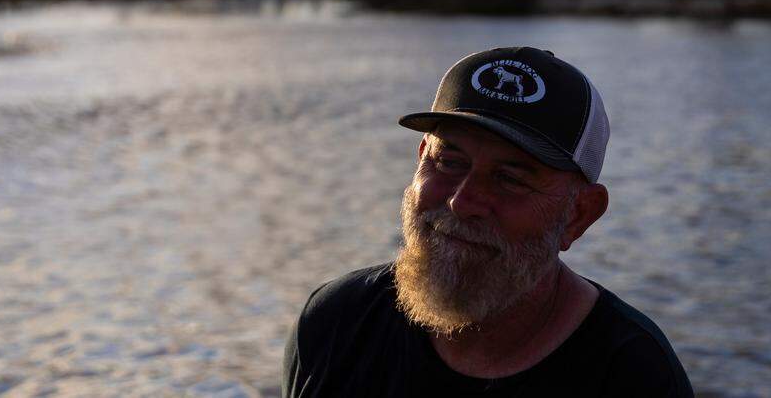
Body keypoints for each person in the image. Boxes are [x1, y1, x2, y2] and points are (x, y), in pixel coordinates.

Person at [282, 46, 694, 397]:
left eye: (510, 179)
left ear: (579, 215)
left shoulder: (632, 373)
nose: (463, 202)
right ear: (421, 157)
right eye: (449, 162)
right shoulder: (338, 322)